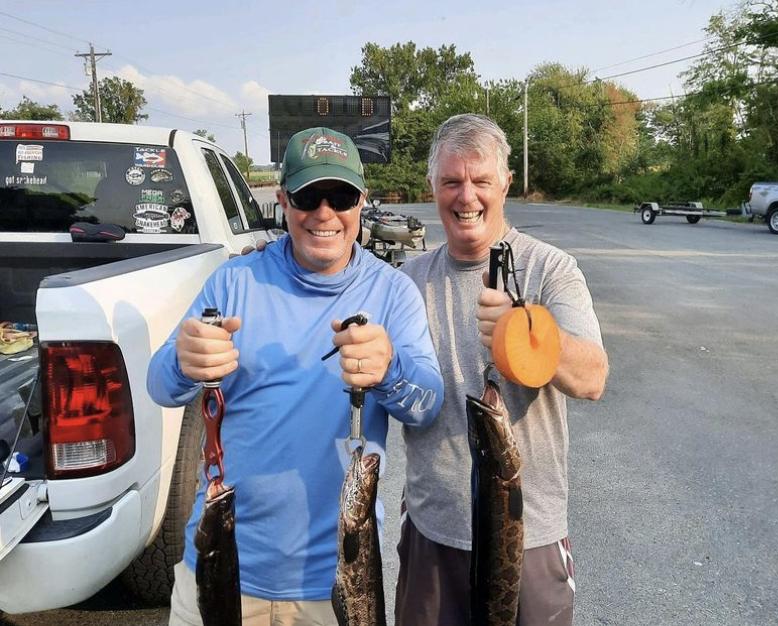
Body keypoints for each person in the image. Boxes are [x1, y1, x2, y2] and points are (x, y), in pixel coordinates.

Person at [147, 127, 443, 626]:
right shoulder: (234, 281)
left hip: (337, 582)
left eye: (341, 196)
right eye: (308, 196)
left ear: (361, 202)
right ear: (283, 200)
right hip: (220, 566)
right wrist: (184, 358)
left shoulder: (393, 293)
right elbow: (161, 386)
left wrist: (389, 371)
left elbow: (427, 404)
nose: (324, 213)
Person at [394, 114, 609, 626]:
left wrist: (527, 332)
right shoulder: (408, 282)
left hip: (528, 532)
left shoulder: (551, 268)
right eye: (451, 181)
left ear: (505, 183)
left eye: (480, 181)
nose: (466, 196)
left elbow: (593, 378)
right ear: (433, 187)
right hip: (434, 533)